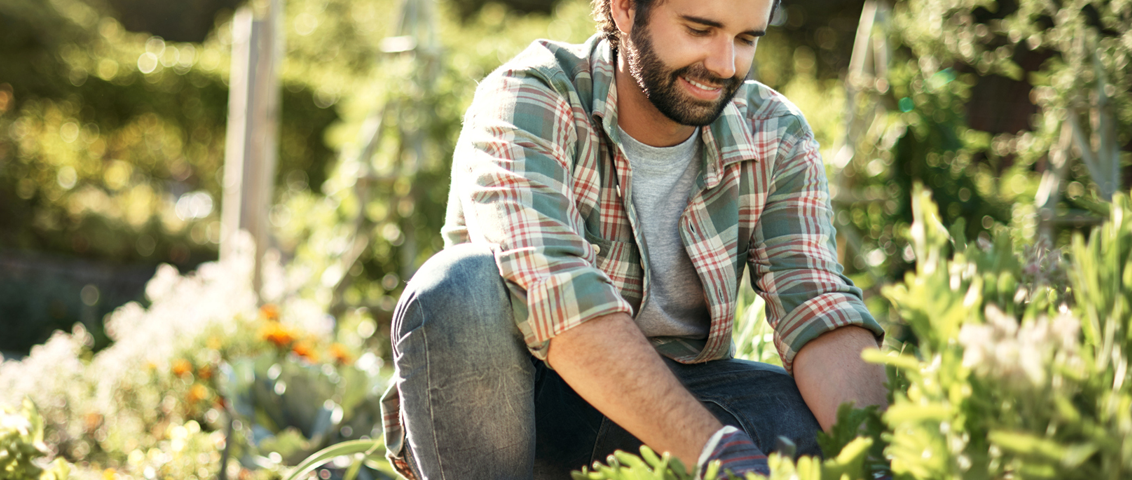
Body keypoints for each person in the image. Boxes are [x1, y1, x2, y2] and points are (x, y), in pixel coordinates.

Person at [380, 0, 888, 477]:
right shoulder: (529, 96)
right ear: (625, 8)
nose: (725, 64)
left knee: (802, 419)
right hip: (524, 413)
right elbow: (560, 301)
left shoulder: (772, 131)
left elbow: (816, 306)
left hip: (670, 402)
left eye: (746, 38)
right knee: (457, 288)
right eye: (700, 29)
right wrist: (719, 457)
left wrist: (885, 460)